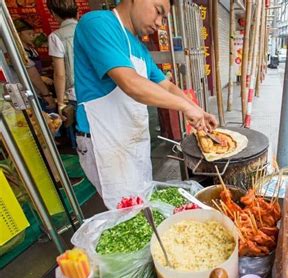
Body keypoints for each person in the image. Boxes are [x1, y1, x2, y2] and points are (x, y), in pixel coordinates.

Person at [74, 0, 217, 208]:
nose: (159, 23)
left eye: (164, 18)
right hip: (106, 141)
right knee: (128, 213)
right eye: (158, 11)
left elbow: (166, 86)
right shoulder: (97, 24)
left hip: (132, 142)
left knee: (143, 205)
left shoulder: (140, 49)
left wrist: (199, 111)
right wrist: (185, 107)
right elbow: (131, 83)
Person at [14, 18, 56, 112]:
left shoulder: (31, 49)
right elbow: (31, 74)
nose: (32, 37)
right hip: (32, 92)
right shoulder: (19, 52)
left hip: (39, 89)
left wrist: (48, 68)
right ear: (18, 35)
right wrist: (42, 80)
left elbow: (36, 68)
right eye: (28, 34)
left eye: (33, 34)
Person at [46, 0, 78, 125]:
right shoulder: (91, 29)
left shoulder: (56, 37)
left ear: (53, 14)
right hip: (99, 89)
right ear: (78, 12)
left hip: (76, 94)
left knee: (81, 130)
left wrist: (60, 103)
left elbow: (60, 74)